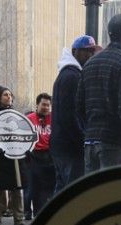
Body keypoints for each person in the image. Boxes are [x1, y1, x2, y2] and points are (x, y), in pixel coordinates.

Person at [77, 13, 121, 173]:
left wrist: (89, 131)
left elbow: (79, 107)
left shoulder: (89, 63)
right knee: (113, 195)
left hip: (90, 141)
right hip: (113, 143)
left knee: (91, 195)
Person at [51, 35, 99, 193]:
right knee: (72, 194)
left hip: (62, 146)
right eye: (86, 51)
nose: (90, 55)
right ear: (75, 51)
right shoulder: (72, 77)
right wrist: (81, 139)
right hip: (70, 148)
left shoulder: (67, 74)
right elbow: (70, 116)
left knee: (61, 192)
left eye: (92, 51)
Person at [0, 86, 27, 225]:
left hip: (16, 157)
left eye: (10, 95)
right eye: (5, 95)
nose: (9, 97)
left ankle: (19, 218)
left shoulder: (17, 116)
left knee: (16, 189)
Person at [26, 93, 55, 217]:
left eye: (48, 105)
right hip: (34, 156)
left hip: (50, 155)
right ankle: (35, 213)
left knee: (49, 186)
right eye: (43, 104)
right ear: (37, 105)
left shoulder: (54, 118)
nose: (46, 107)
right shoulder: (28, 119)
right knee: (35, 186)